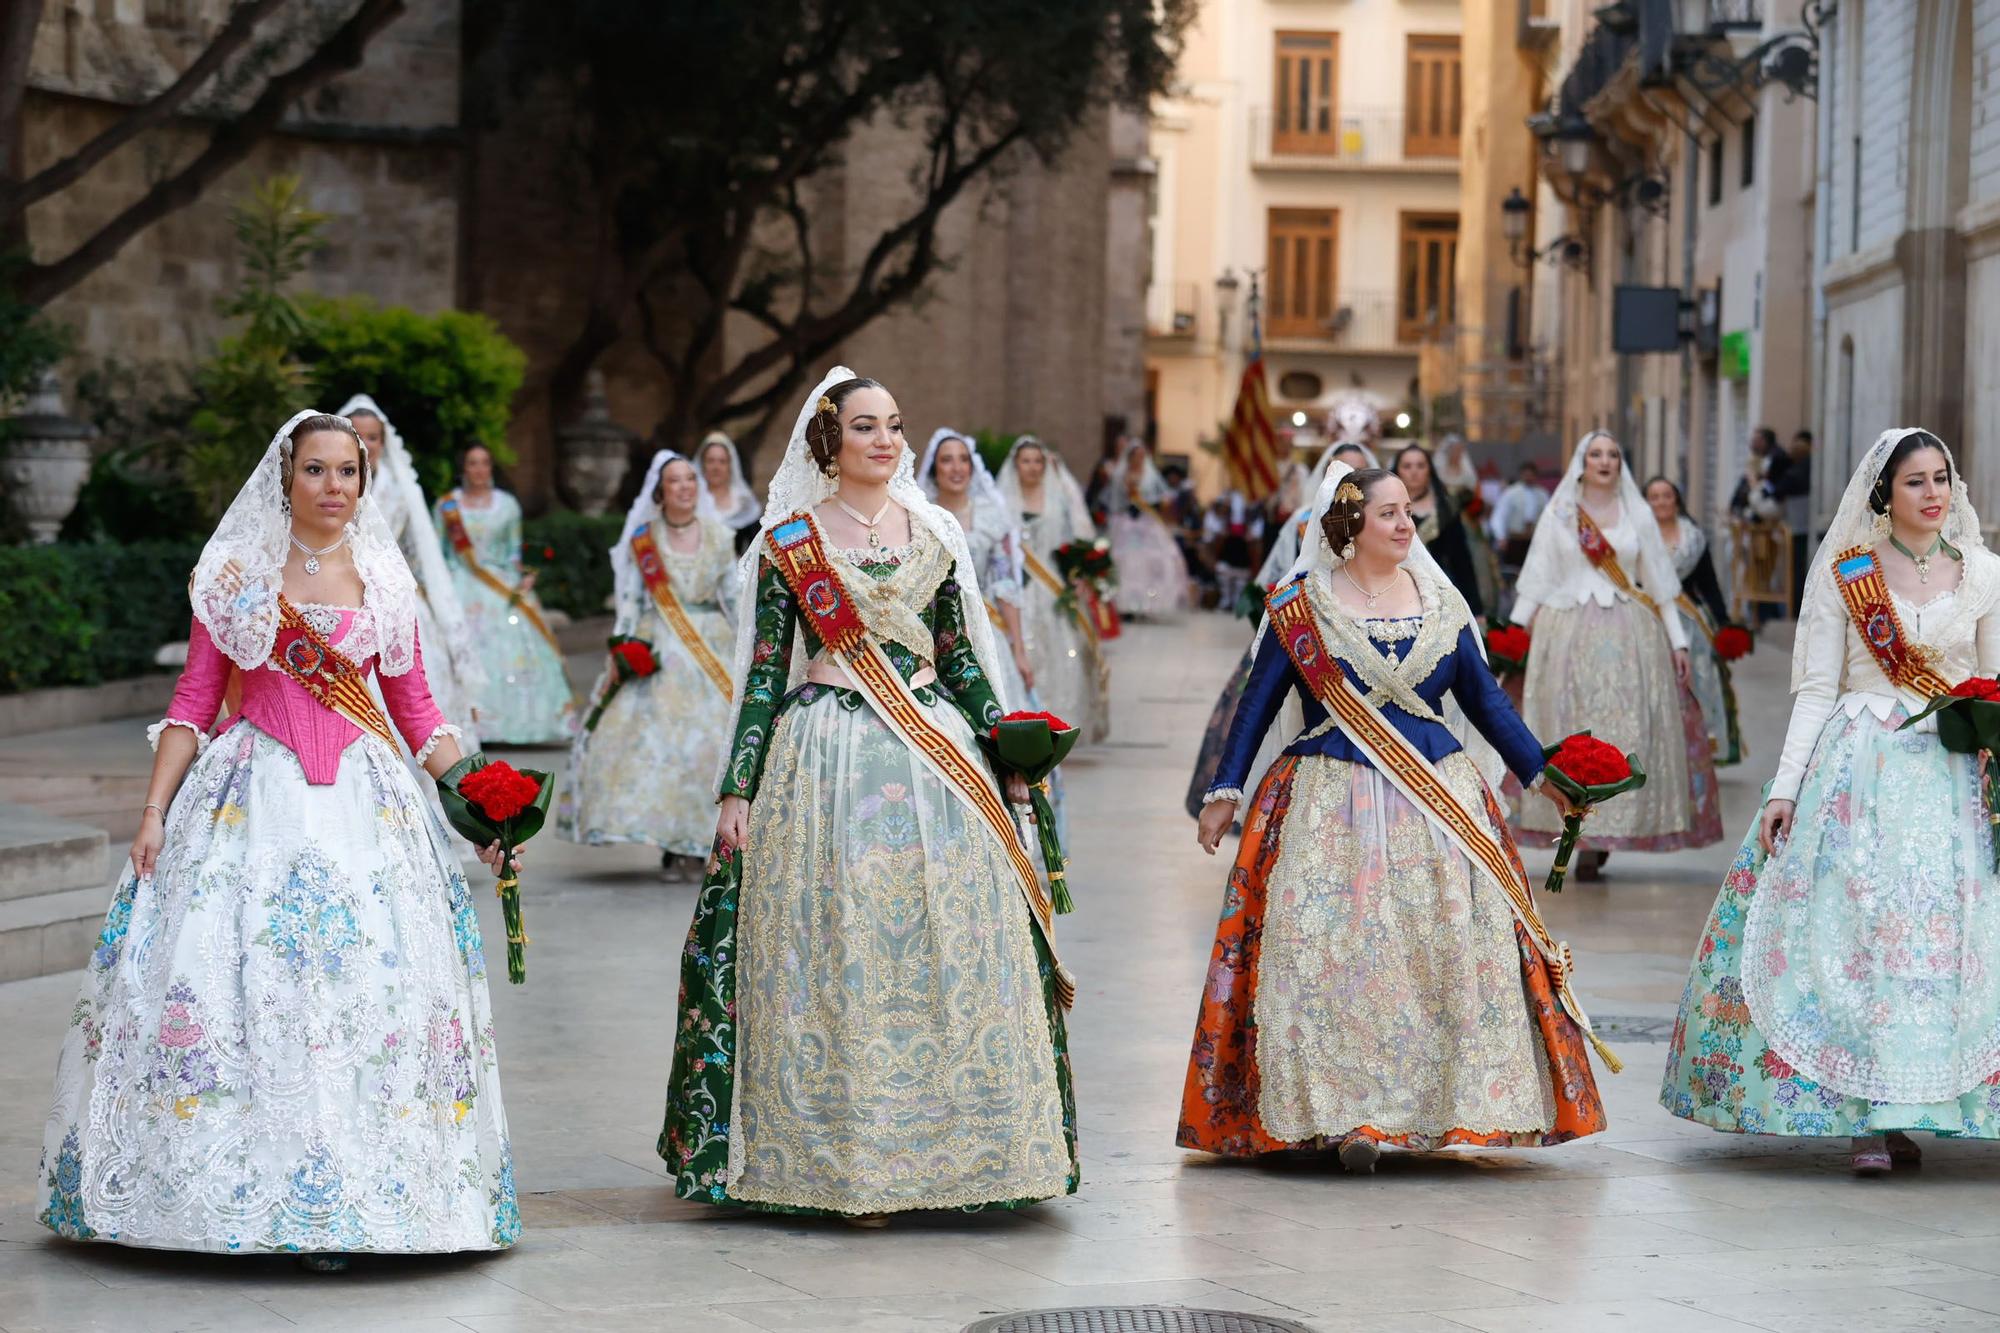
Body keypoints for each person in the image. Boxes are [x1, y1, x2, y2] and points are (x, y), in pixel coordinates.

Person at [36, 412, 523, 1264]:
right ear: (285, 479)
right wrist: (153, 810)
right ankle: (231, 1189)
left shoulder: (384, 576)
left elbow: (417, 713)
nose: (334, 487)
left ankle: (373, 1195)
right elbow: (194, 699)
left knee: (362, 990)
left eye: (349, 472)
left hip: (369, 808)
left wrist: (485, 803)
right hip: (251, 798)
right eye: (317, 471)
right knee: (242, 982)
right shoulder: (235, 578)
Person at [657, 369, 1076, 1222]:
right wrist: (737, 790)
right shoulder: (792, 543)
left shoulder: (936, 534)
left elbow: (959, 657)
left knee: (949, 937)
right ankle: (844, 1155)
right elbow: (764, 676)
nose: (884, 441)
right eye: (864, 427)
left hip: (936, 754)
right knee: (837, 937)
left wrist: (1007, 745)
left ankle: (968, 1148)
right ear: (829, 441)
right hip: (825, 754)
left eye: (893, 425)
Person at [1179, 465, 1608, 1171]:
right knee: (1331, 956)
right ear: (1350, 527)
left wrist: (1542, 774)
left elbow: (1486, 702)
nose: (1405, 524)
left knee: (1433, 956)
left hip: (1436, 806)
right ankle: (1344, 1114)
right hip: (1326, 800)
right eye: (1388, 513)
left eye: (1408, 512)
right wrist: (1224, 790)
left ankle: (1431, 1106)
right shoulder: (1301, 607)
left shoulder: (1440, 603)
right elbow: (1255, 705)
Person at [1662, 428, 2000, 1174]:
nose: (1934, 492)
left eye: (1941, 477)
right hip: (1860, 772)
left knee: (1944, 943)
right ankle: (1868, 1118)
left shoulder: (1983, 573)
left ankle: (1922, 1102)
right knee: (1855, 936)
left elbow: (1994, 682)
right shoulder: (1848, 574)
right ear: (1884, 493)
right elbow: (1817, 691)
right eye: (1915, 481)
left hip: (1948, 781)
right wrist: (1785, 788)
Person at [1509, 431, 1722, 875]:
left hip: (1629, 632)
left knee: (1623, 728)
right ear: (1581, 462)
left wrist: (1678, 642)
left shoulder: (1636, 512)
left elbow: (1660, 583)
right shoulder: (1561, 512)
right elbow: (1537, 576)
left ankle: (1606, 829)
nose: (1604, 461)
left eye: (1613, 454)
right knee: (1568, 727)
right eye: (1596, 454)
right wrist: (1511, 634)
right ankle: (1577, 825)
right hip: (1564, 631)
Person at [557, 450, 739, 876]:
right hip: (657, 641)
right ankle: (670, 840)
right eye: (675, 481)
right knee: (659, 749)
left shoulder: (719, 536)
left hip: (711, 647)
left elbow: (732, 599)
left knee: (708, 747)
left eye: (690, 480)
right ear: (660, 492)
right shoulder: (644, 539)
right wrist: (623, 649)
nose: (685, 488)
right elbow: (632, 602)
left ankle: (701, 840)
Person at [340, 395, 483, 747]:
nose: (366, 444)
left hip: (391, 599)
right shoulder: (332, 486)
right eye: (357, 435)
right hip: (339, 597)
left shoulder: (400, 490)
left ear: (383, 443)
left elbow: (418, 556)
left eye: (373, 437)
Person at [434, 445, 578, 744]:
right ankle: (471, 724)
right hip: (460, 584)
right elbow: (438, 553)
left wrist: (524, 577)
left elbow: (514, 550)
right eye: (472, 463)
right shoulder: (448, 506)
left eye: (484, 463)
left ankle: (526, 724)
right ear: (464, 467)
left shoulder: (507, 505)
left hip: (502, 583)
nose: (479, 469)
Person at [998, 435, 1111, 742]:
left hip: (1053, 590)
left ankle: (1061, 723)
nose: (1032, 468)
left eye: (1038, 461)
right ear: (1016, 465)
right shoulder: (1001, 501)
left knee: (1064, 656)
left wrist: (1079, 571)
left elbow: (1077, 538)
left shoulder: (1059, 499)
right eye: (1026, 461)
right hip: (1016, 591)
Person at [918, 428, 1037, 717]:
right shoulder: (919, 517)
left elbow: (1005, 583)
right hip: (932, 632)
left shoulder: (992, 517)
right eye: (947, 460)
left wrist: (1019, 649)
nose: (957, 468)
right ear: (934, 469)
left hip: (986, 629)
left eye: (964, 460)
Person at [1644, 476, 1745, 766]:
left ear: (1676, 500)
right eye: (1655, 496)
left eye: (1667, 495)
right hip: (1649, 616)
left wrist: (1724, 622)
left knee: (1698, 679)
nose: (1661, 502)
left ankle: (1697, 748)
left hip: (1689, 620)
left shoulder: (1693, 538)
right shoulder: (1637, 536)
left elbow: (1709, 584)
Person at [1392, 444, 1484, 618]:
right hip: (1390, 592)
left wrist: (1475, 609)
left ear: (1429, 470)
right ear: (1397, 470)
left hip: (1438, 594)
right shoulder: (1381, 508)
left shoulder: (1446, 509)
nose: (1414, 471)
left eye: (1420, 465)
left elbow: (1462, 561)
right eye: (1407, 466)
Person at [1103, 436, 1192, 617]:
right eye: (1136, 455)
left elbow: (1162, 495)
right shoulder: (1122, 474)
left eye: (1142, 455)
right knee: (1127, 562)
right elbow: (1117, 499)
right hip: (1127, 521)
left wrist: (1160, 503)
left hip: (1146, 521)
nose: (1139, 459)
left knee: (1150, 562)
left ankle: (1147, 603)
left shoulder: (1151, 475)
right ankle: (1124, 603)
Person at [696, 430, 764, 555]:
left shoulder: (744, 502)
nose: (716, 467)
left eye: (722, 461)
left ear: (730, 465)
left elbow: (755, 550)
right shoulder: (692, 500)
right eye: (710, 461)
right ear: (702, 464)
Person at [1487, 460, 1548, 571]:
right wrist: (1501, 536)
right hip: (1515, 539)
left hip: (1534, 540)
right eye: (1526, 475)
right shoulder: (1511, 493)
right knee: (1515, 571)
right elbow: (1500, 515)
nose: (1529, 478)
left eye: (1531, 475)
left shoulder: (1542, 494)